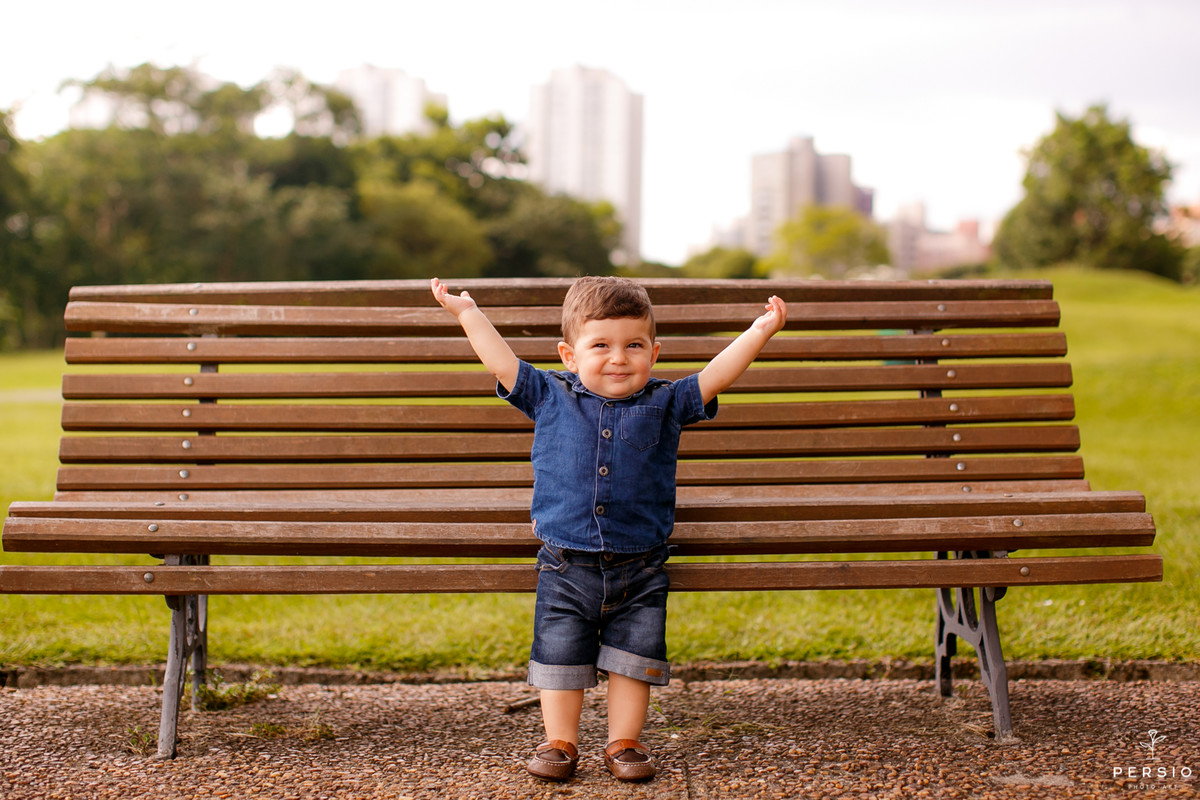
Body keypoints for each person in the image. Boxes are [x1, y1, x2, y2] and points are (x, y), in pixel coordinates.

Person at [430, 275, 787, 782]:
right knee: (558, 658)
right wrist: (468, 314)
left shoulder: (665, 404)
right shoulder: (549, 395)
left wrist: (760, 330)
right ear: (569, 355)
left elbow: (715, 376)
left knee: (632, 659)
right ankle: (560, 742)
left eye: (633, 345)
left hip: (640, 566)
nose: (619, 358)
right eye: (601, 345)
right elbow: (502, 362)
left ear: (654, 353)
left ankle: (625, 743)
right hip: (565, 564)